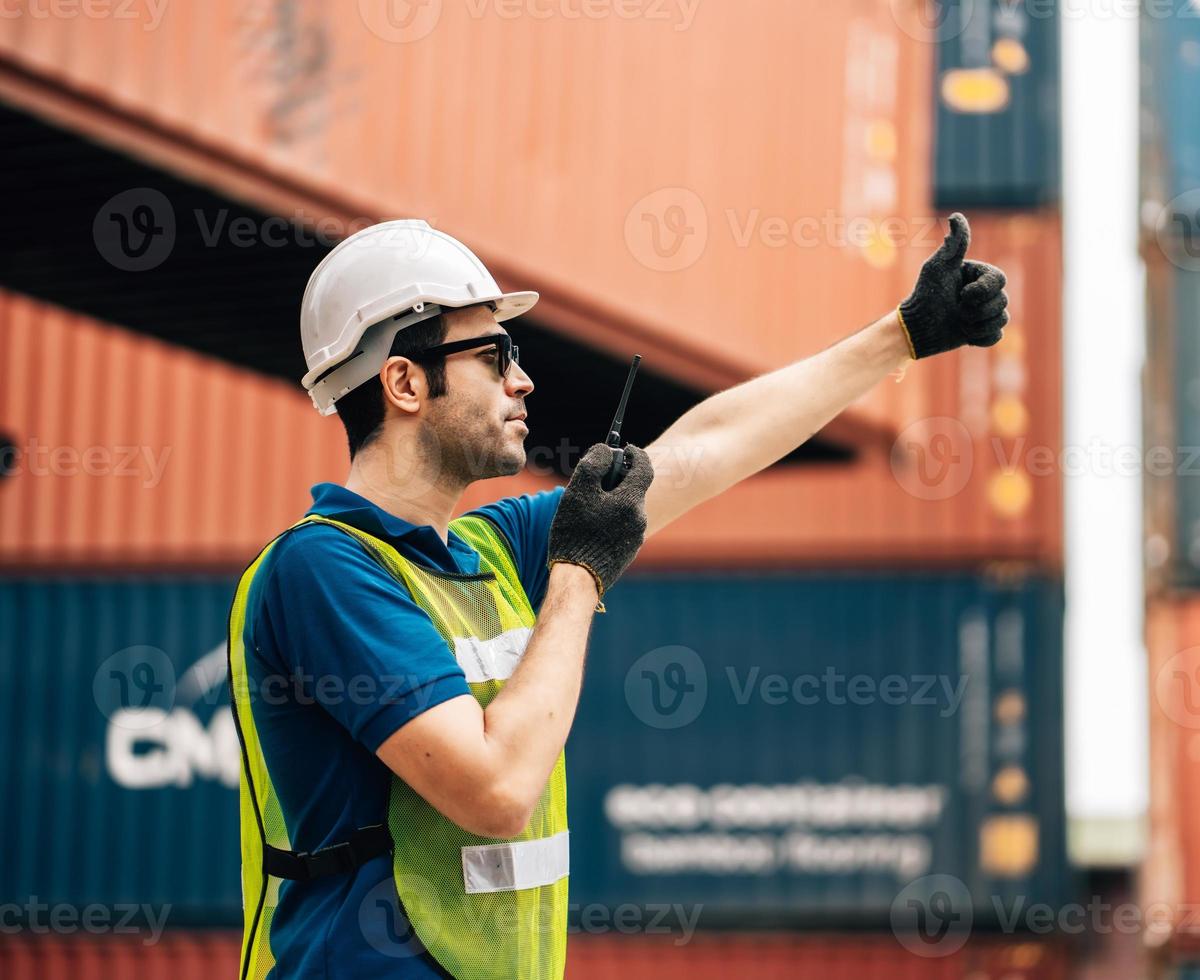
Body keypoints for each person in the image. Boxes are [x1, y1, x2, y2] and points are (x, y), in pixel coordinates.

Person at [228, 215, 1008, 978]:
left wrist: (899, 335)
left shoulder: (490, 551)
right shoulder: (325, 569)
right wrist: (577, 574)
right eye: (494, 355)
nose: (521, 379)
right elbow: (495, 790)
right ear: (403, 381)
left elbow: (702, 453)